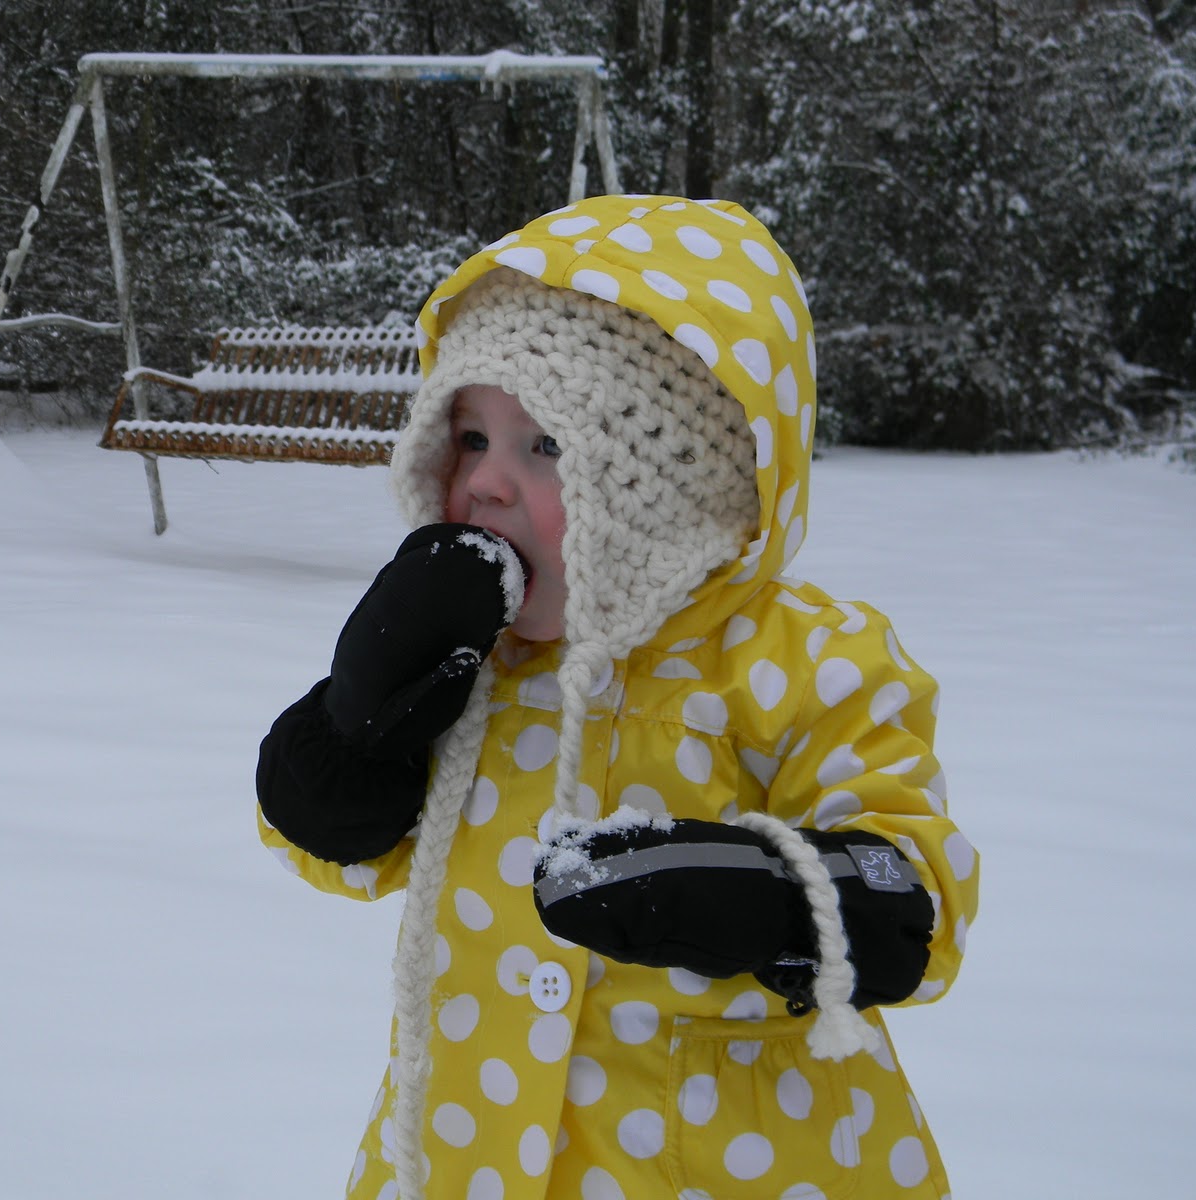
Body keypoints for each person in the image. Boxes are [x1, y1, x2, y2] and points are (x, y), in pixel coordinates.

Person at [256, 194, 979, 1200]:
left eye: (544, 446)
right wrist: (353, 725)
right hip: (460, 1158)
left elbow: (922, 905)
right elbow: (341, 855)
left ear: (680, 479)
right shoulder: (474, 660)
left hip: (728, 1167)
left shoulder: (795, 657)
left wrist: (758, 892)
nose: (488, 487)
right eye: (470, 439)